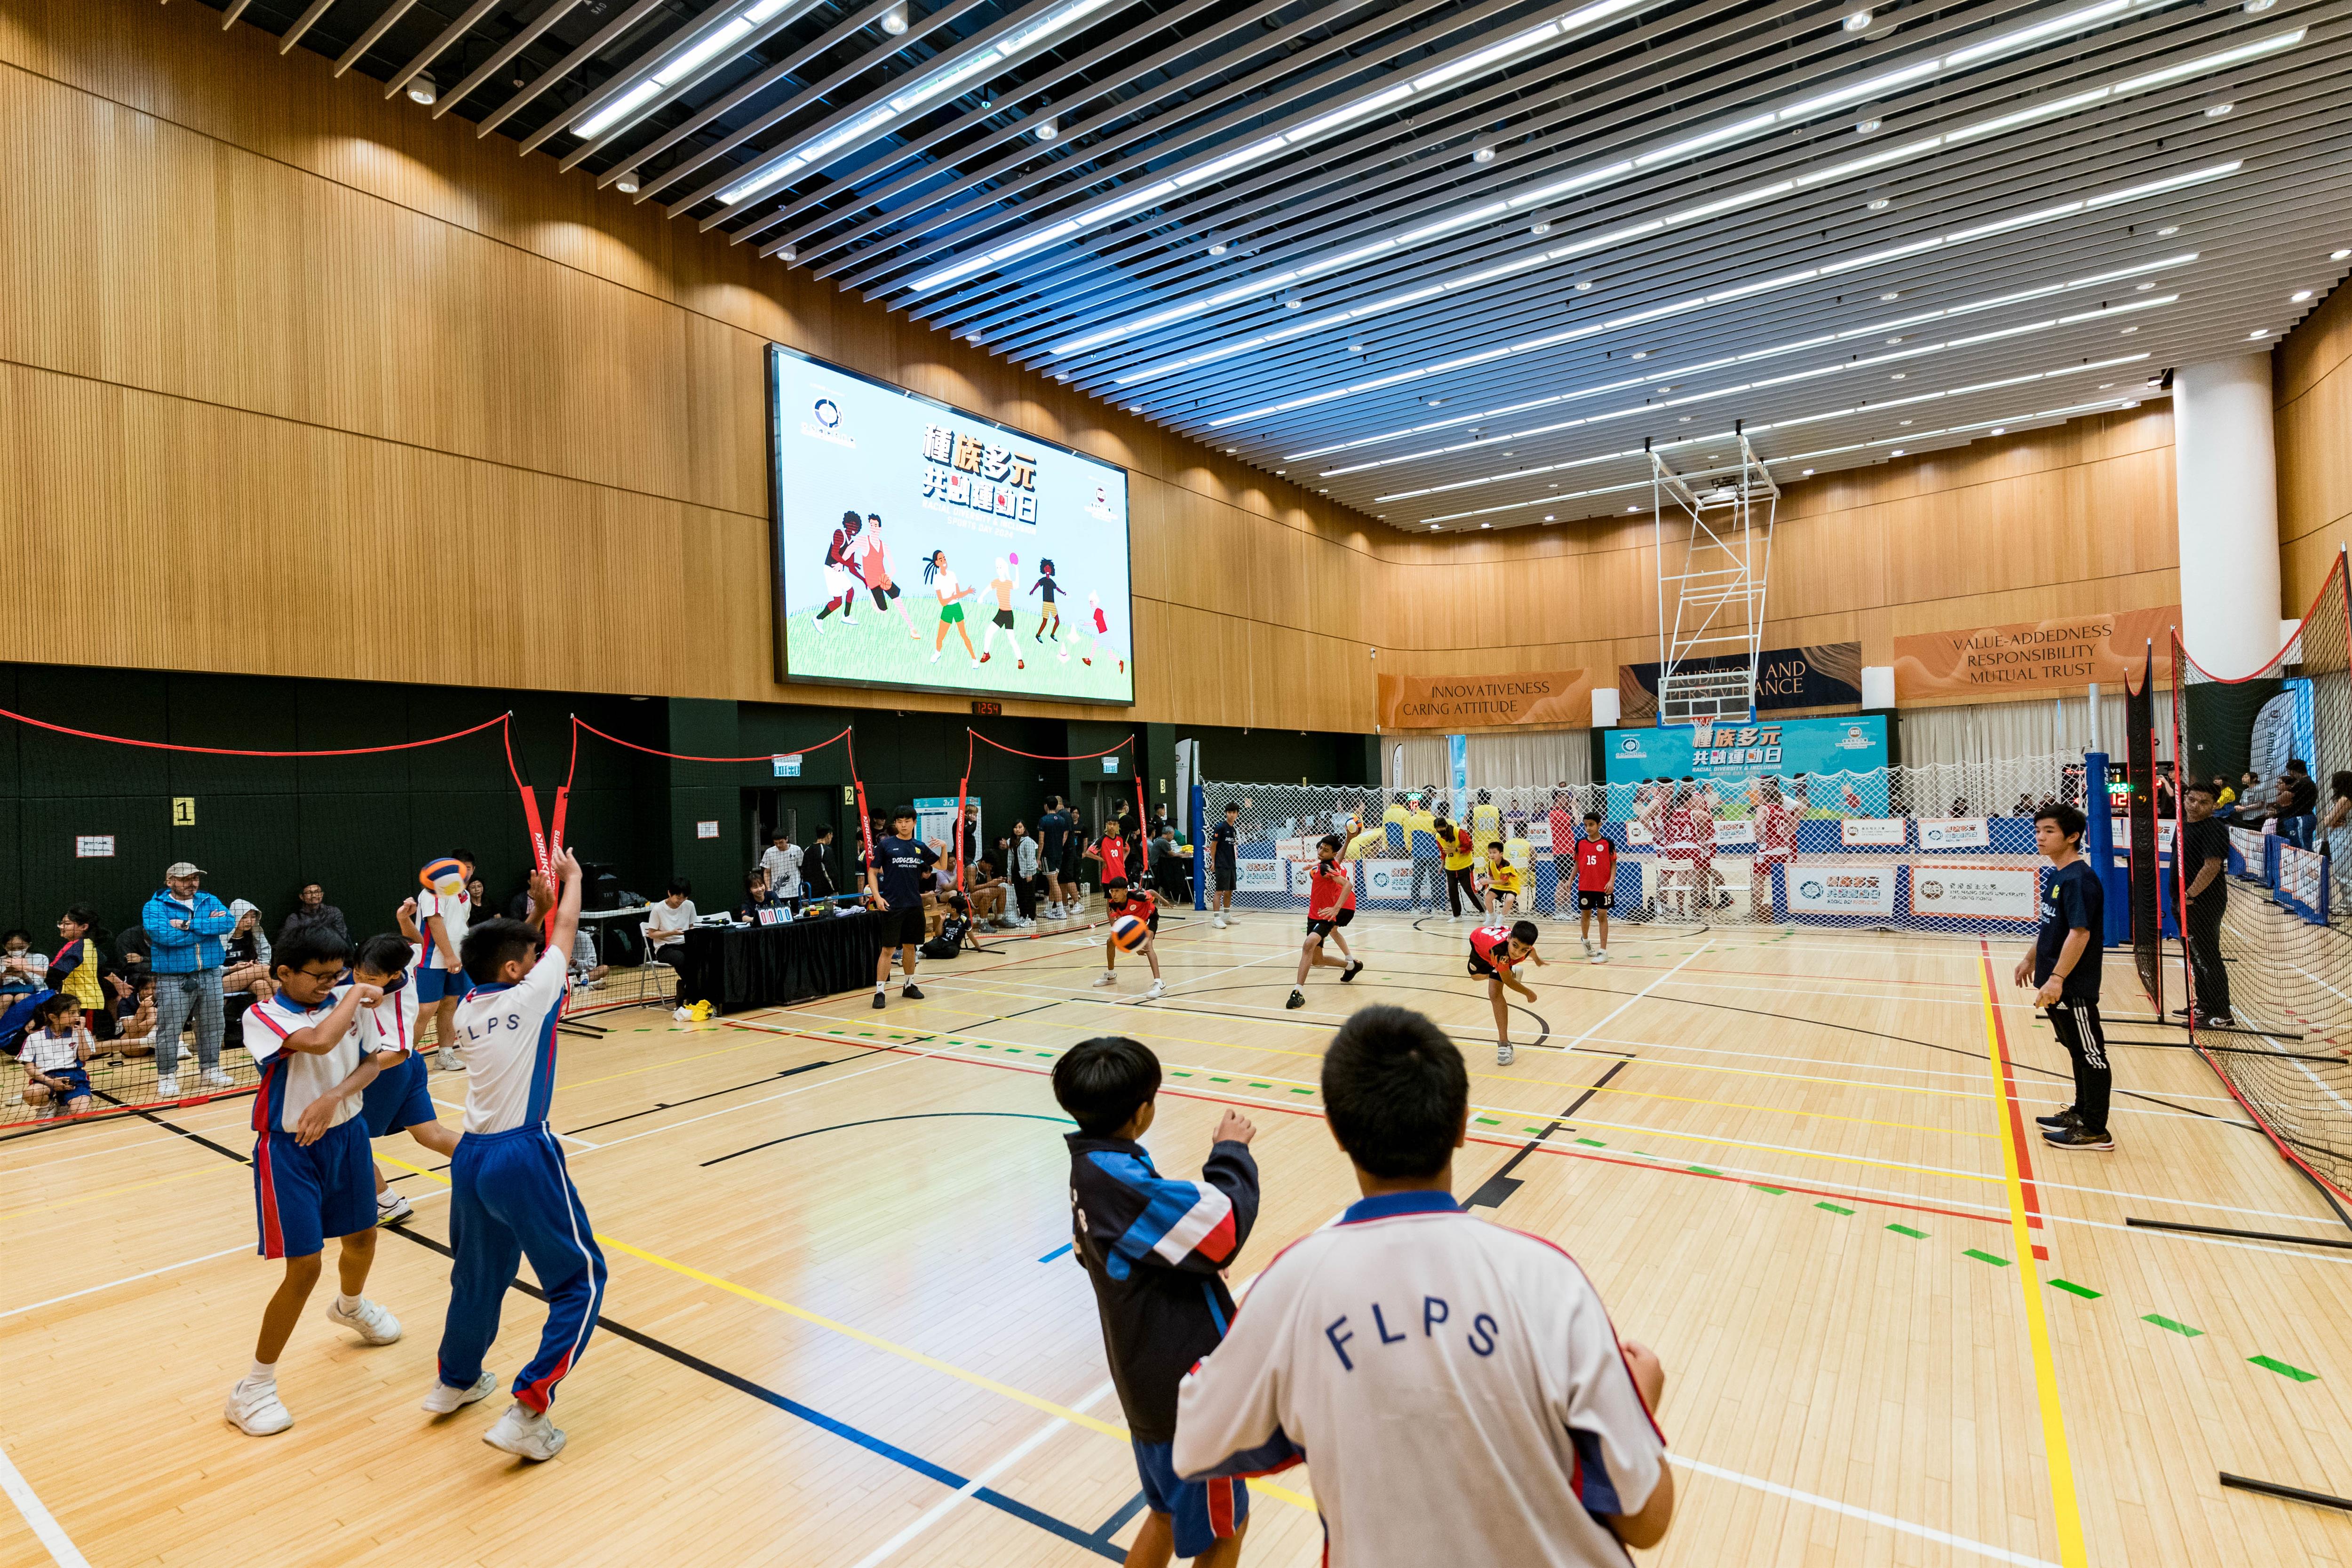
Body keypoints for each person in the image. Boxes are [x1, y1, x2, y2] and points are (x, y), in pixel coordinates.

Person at [1171, 1005, 1672, 1563]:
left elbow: (1197, 1442)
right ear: (1462, 1123)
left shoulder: (1291, 1287)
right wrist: (1639, 1401)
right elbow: (1645, 1521)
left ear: (1335, 1131)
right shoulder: (1547, 1276)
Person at [1053, 1037, 1259, 1568]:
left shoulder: (1090, 1167)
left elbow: (1104, 1253)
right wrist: (1230, 1152)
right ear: (1143, 1111)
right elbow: (1224, 1224)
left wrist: (1185, 1257)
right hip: (1185, 1388)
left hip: (1145, 1382)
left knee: (1166, 1514)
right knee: (1225, 1529)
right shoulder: (1116, 1179)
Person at [429, 850, 607, 1461]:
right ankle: (530, 1410)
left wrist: (536, 900)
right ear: (514, 968)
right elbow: (562, 933)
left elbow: (529, 941)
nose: (541, 962)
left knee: (478, 1277)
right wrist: (570, 883)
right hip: (520, 1152)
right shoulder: (530, 1000)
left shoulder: (474, 1005)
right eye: (529, 961)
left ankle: (454, 1380)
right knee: (581, 1283)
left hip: (471, 1156)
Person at [222, 925, 404, 1438]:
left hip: (348, 1135)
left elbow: (374, 1061)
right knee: (304, 1267)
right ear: (283, 973)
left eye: (337, 975)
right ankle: (253, 1388)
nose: (329, 985)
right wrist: (352, 995)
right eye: (319, 977)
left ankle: (350, 1307)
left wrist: (333, 1098)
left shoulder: (348, 1003)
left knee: (364, 1237)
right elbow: (321, 1043)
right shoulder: (262, 1016)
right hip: (289, 1150)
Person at [354, 911, 463, 1227]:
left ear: (393, 975)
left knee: (349, 1138)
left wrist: (349, 1075)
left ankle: (386, 1203)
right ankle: (495, 1170)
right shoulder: (407, 957)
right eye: (358, 973)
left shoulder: (397, 1006)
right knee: (431, 1134)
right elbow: (417, 943)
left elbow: (399, 1052)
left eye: (371, 980)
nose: (361, 982)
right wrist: (405, 921)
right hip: (414, 1069)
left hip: (388, 1071)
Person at [2015, 803, 2112, 1152]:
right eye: (2038, 830)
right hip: (2055, 982)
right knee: (2076, 1050)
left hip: (2074, 985)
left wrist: (2057, 978)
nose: (2040, 837)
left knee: (2091, 1053)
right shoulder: (2058, 875)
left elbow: (2080, 933)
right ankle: (2080, 1113)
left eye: (2049, 831)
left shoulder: (2080, 880)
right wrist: (2031, 958)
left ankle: (2095, 1129)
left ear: (2072, 836)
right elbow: (2051, 926)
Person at [144, 861, 237, 1097]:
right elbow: (165, 936)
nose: (192, 883)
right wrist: (207, 931)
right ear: (170, 881)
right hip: (173, 978)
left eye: (196, 878)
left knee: (213, 1025)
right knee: (170, 1029)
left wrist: (188, 925)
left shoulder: (209, 900)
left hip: (211, 974)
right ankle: (166, 1076)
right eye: (186, 879)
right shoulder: (154, 907)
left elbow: (227, 923)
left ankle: (211, 1070)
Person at [867, 806, 938, 1009]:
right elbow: (872, 872)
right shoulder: (886, 845)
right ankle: (880, 991)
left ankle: (909, 985)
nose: (903, 825)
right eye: (899, 822)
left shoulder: (919, 846)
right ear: (896, 824)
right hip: (892, 905)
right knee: (888, 949)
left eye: (907, 821)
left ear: (914, 823)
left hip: (914, 905)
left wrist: (943, 847)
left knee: (910, 947)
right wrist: (877, 897)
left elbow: (941, 866)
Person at [2177, 782, 2233, 1029]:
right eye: (2192, 800)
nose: (2196, 806)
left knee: (2208, 956)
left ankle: (2222, 1014)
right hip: (2183, 901)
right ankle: (2203, 1005)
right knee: (2195, 956)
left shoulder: (2215, 829)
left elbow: (2211, 867)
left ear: (2214, 805)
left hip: (2202, 902)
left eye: (2203, 802)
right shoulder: (2184, 825)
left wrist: (2189, 894)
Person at [416, 851, 478, 1072]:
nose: (465, 871)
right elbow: (435, 924)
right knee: (426, 1009)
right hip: (432, 959)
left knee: (451, 1004)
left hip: (457, 958)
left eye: (468, 867)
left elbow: (459, 926)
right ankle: (405, 1060)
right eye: (460, 866)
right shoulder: (431, 892)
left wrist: (461, 954)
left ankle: (445, 1054)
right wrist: (450, 955)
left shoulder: (464, 895)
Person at [1287, 835, 1362, 1009]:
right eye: (1320, 847)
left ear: (1332, 853)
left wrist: (1335, 909)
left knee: (1308, 944)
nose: (1321, 851)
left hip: (1326, 916)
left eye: (1326, 850)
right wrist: (1349, 839)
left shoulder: (1326, 868)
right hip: (1313, 916)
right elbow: (1337, 857)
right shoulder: (1329, 864)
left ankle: (1298, 992)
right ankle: (1351, 965)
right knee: (1317, 960)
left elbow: (1347, 885)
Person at [1470, 917, 1547, 1066]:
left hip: (1500, 960)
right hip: (1481, 950)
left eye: (1523, 950)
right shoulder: (1500, 951)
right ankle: (1502, 971)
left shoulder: (1521, 949)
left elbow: (1532, 951)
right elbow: (1509, 982)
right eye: (1515, 946)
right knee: (1476, 977)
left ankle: (1504, 1044)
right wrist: (1529, 993)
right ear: (1509, 938)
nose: (1517, 953)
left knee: (1495, 994)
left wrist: (1537, 960)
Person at [19, 994, 95, 1117]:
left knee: (84, 1115)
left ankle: (68, 1101)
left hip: (74, 1078)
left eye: (78, 1012)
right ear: (53, 1017)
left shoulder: (83, 1032)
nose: (77, 1016)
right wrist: (51, 1082)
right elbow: (29, 1068)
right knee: (31, 1094)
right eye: (72, 1013)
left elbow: (85, 1057)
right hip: (46, 1079)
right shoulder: (34, 1038)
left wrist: (81, 1032)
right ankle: (47, 1105)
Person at [1095, 878, 1167, 999]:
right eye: (1112, 891)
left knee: (1148, 945)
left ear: (1125, 891)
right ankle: (1111, 975)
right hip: (1132, 922)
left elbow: (1152, 892)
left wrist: (1165, 902)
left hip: (1149, 917)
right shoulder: (1113, 903)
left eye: (1117, 891)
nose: (1114, 894)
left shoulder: (1138, 896)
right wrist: (1135, 946)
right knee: (1110, 942)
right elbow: (1118, 925)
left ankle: (1159, 984)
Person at [858, 512, 921, 637]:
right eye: (871, 525)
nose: (874, 528)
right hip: (872, 582)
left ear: (880, 528)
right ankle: (873, 595)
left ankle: (912, 628)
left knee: (897, 600)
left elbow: (893, 568)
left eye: (876, 525)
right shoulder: (864, 542)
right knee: (883, 610)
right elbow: (850, 550)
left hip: (883, 578)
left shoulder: (884, 546)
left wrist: (889, 577)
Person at [48, 904, 107, 1035]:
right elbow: (103, 968)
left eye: (67, 924)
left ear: (84, 927)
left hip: (85, 1002)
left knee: (87, 1042)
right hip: (82, 1002)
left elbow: (55, 974)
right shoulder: (90, 944)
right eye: (61, 923)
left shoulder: (75, 947)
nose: (62, 927)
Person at [1751, 778, 1797, 922]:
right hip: (1783, 851)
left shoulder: (1763, 808)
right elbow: (1796, 824)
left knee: (1758, 881)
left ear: (1765, 797)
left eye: (1760, 795)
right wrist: (1785, 835)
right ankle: (1782, 910)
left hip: (1767, 851)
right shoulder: (1782, 810)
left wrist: (1761, 838)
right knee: (1780, 881)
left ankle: (1756, 911)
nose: (1758, 797)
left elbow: (1758, 824)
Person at [925, 549, 981, 666]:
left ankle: (974, 659)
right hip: (948, 609)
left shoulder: (952, 574)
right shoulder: (937, 578)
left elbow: (958, 594)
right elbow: (942, 602)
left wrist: (968, 592)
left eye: (944, 558)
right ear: (937, 563)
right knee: (940, 636)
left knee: (964, 634)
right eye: (941, 559)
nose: (944, 561)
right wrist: (953, 597)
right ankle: (937, 653)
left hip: (957, 607)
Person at [811, 509, 865, 629]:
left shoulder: (852, 543)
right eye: (853, 525)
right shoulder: (839, 534)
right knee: (838, 602)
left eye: (857, 527)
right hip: (831, 570)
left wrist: (863, 579)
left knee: (851, 591)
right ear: (847, 523)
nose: (854, 528)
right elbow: (834, 554)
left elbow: (851, 568)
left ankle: (846, 616)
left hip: (839, 571)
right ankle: (818, 618)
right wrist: (846, 564)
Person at [645, 880, 697, 1005]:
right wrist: (671, 933)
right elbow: (651, 934)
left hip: (685, 943)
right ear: (669, 893)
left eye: (684, 898)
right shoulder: (658, 909)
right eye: (678, 898)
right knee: (681, 959)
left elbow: (692, 927)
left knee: (700, 957)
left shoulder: (689, 905)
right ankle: (692, 991)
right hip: (665, 947)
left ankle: (685, 989)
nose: (681, 901)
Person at [1573, 812, 1615, 963]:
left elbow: (1613, 864)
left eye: (1591, 825)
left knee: (1602, 916)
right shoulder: (1580, 843)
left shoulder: (1608, 843)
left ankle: (1603, 951)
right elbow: (1577, 863)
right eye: (1585, 825)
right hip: (1585, 886)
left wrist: (1611, 881)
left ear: (1599, 825)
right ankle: (1585, 940)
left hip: (1603, 887)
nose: (1588, 828)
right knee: (1586, 915)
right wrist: (1570, 880)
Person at [221, 899, 276, 1006]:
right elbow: (212, 968)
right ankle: (290, 1002)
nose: (249, 921)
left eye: (253, 917)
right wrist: (233, 968)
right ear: (235, 917)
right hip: (220, 982)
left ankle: (266, 1021)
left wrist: (258, 964)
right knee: (264, 969)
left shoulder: (254, 936)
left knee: (263, 986)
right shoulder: (221, 937)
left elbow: (265, 951)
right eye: (244, 917)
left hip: (249, 976)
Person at [979, 557, 1022, 665]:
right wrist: (981, 597)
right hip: (1001, 613)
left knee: (1011, 639)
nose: (998, 569)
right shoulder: (996, 582)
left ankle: (1020, 660)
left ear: (1005, 569)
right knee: (989, 632)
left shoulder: (1008, 583)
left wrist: (1017, 568)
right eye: (997, 567)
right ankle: (986, 654)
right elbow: (987, 589)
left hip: (1008, 615)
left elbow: (1017, 585)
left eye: (1000, 567)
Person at [278, 883, 348, 947]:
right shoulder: (294, 918)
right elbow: (287, 941)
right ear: (302, 897)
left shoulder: (333, 912)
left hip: (333, 953)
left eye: (317, 892)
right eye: (309, 893)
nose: (314, 896)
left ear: (322, 894)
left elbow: (342, 935)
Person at [1039, 796, 1074, 919]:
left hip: (1048, 855)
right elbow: (1064, 837)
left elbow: (1041, 841)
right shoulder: (1062, 820)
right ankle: (1049, 910)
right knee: (1053, 883)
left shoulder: (1043, 820)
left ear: (1046, 806)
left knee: (1054, 883)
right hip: (1059, 855)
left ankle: (1061, 911)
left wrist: (1038, 857)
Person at [1406, 793, 1441, 914]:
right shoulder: (1434, 821)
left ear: (1419, 805)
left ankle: (1415, 907)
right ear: (1430, 806)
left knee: (1417, 880)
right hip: (1434, 854)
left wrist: (1412, 850)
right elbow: (1439, 838)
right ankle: (1436, 907)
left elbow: (1408, 838)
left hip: (1418, 854)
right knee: (1435, 881)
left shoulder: (1412, 820)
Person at [1439, 816, 1479, 920]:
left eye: (1442, 830)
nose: (1441, 834)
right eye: (1438, 831)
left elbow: (1469, 847)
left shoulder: (1459, 832)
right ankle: (1457, 915)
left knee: (1470, 890)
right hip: (1451, 868)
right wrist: (1442, 865)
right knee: (1453, 892)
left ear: (1446, 827)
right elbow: (1443, 852)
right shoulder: (1438, 837)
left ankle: (1484, 911)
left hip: (1465, 866)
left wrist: (1455, 849)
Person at [1208, 802, 1240, 928]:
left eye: (1234, 813)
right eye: (1229, 812)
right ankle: (1216, 918)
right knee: (1219, 891)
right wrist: (1214, 862)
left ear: (1237, 814)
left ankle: (1226, 915)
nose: (1231, 815)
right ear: (1226, 813)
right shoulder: (1221, 827)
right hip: (1221, 864)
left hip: (1231, 863)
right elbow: (1213, 846)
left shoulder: (1233, 830)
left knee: (1229, 890)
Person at [2326, 772, 2352, 915]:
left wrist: (2330, 819)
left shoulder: (2345, 799)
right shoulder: (2343, 799)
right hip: (2340, 836)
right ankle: (2346, 904)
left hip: (2344, 838)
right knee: (2342, 873)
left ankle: (2349, 906)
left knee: (2344, 873)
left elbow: (2329, 821)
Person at [758, 829, 803, 907]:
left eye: (781, 843)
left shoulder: (796, 850)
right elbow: (767, 871)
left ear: (787, 839)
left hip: (795, 891)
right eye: (776, 843)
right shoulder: (769, 852)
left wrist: (803, 889)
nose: (779, 845)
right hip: (777, 894)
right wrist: (768, 889)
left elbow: (802, 868)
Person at [2280, 759, 2319, 848]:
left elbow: (2282, 799)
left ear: (2293, 771)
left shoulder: (2303, 783)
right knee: (2297, 846)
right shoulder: (2304, 782)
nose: (2290, 775)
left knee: (2302, 848)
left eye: (2290, 772)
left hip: (2302, 818)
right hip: (2300, 818)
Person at [1029, 557, 1065, 650]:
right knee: (1045, 621)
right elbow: (1038, 584)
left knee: (1057, 621)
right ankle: (1038, 635)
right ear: (1044, 569)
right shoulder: (1044, 580)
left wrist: (1063, 593)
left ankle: (1052, 635)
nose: (1048, 570)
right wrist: (1033, 590)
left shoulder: (1052, 581)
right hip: (1046, 603)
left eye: (1049, 568)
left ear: (1051, 570)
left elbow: (1057, 588)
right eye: (1046, 568)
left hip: (1052, 604)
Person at [1010, 820, 1041, 924]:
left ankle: (1032, 919)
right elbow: (1010, 859)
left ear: (1024, 829)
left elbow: (1030, 858)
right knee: (1020, 896)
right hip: (1016, 873)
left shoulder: (1028, 841)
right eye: (1016, 827)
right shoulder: (1012, 841)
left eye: (1020, 827)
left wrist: (1029, 873)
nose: (1018, 829)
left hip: (1028, 873)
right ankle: (1023, 916)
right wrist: (1009, 874)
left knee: (1029, 896)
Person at [1482, 841, 1520, 917]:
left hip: (1511, 886)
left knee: (1509, 900)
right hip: (1499, 886)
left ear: (1501, 854)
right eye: (1490, 853)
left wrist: (1488, 881)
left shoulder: (1506, 864)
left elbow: (1503, 881)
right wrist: (1485, 882)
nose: (1492, 855)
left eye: (1494, 853)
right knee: (1488, 898)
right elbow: (1491, 877)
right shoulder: (1491, 863)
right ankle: (1491, 916)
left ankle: (1501, 918)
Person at [803, 825, 839, 903]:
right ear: (829, 835)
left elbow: (804, 873)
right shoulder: (827, 851)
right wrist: (836, 889)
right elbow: (831, 873)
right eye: (831, 836)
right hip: (827, 895)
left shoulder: (807, 850)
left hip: (811, 896)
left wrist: (805, 891)